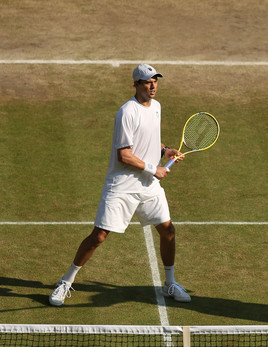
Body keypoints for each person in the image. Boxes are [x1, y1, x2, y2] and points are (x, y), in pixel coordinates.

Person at [49, 64, 191, 306]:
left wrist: (165, 150)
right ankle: (66, 281)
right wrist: (153, 168)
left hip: (148, 185)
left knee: (168, 231)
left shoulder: (156, 107)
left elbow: (149, 140)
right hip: (122, 185)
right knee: (99, 236)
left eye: (155, 80)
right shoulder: (126, 113)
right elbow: (123, 155)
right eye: (147, 81)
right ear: (136, 84)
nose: (153, 85)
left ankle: (170, 283)